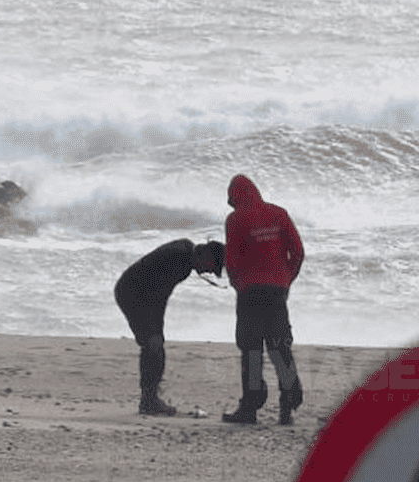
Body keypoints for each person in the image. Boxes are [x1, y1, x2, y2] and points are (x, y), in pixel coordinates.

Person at [221, 174, 305, 426]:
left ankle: (250, 407)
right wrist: (286, 280)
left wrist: (237, 285)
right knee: (280, 348)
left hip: (249, 293)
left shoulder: (235, 219)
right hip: (276, 291)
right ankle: (288, 404)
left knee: (251, 350)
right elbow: (298, 252)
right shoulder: (279, 213)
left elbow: (232, 259)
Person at [114, 238, 226, 416]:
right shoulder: (181, 259)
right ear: (206, 253)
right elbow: (159, 294)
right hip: (132, 293)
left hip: (132, 290)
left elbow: (160, 292)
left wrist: (156, 329)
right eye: (212, 266)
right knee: (153, 345)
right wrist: (156, 329)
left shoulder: (185, 252)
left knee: (153, 344)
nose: (209, 272)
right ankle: (149, 401)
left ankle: (150, 398)